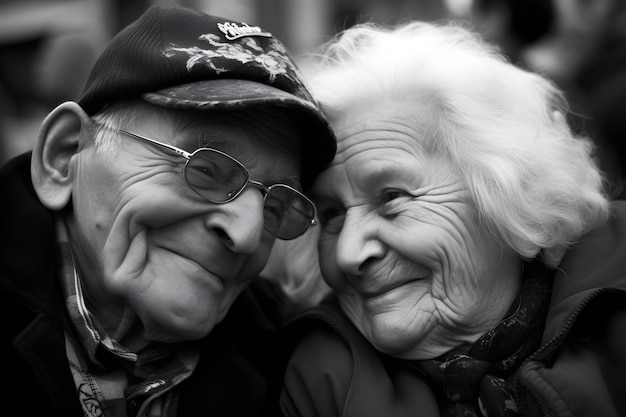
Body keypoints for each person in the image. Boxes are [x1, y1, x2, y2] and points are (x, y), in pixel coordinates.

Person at [0, 5, 336, 417]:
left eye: (278, 204)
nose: (247, 234)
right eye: (207, 168)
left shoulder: (294, 370)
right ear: (65, 154)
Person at [278, 21, 626, 417]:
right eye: (331, 214)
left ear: (508, 191)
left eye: (392, 197)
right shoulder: (318, 381)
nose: (348, 254)